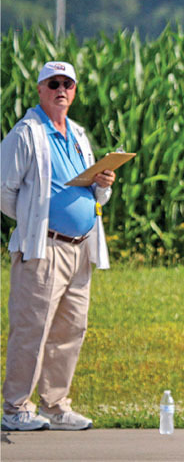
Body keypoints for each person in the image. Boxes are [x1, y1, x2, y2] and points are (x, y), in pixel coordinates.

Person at [1, 61, 117, 431]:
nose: (61, 90)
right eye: (53, 84)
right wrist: (35, 220)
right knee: (31, 327)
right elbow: (5, 191)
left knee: (71, 329)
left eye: (68, 84)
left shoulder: (78, 134)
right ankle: (16, 408)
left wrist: (103, 183)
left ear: (75, 91)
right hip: (44, 247)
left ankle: (55, 404)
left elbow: (96, 194)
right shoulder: (25, 133)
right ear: (40, 89)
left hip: (82, 246)